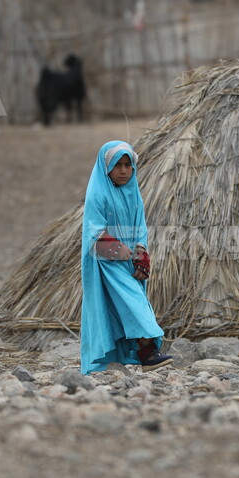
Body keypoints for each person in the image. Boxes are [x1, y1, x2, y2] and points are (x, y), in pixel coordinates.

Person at [80, 141, 172, 372]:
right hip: (106, 264)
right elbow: (94, 231)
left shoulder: (134, 194)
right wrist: (122, 251)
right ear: (105, 168)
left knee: (130, 303)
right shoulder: (97, 195)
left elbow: (140, 226)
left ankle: (141, 353)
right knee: (133, 303)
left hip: (129, 262)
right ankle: (148, 351)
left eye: (127, 165)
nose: (123, 171)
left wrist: (141, 253)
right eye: (117, 165)